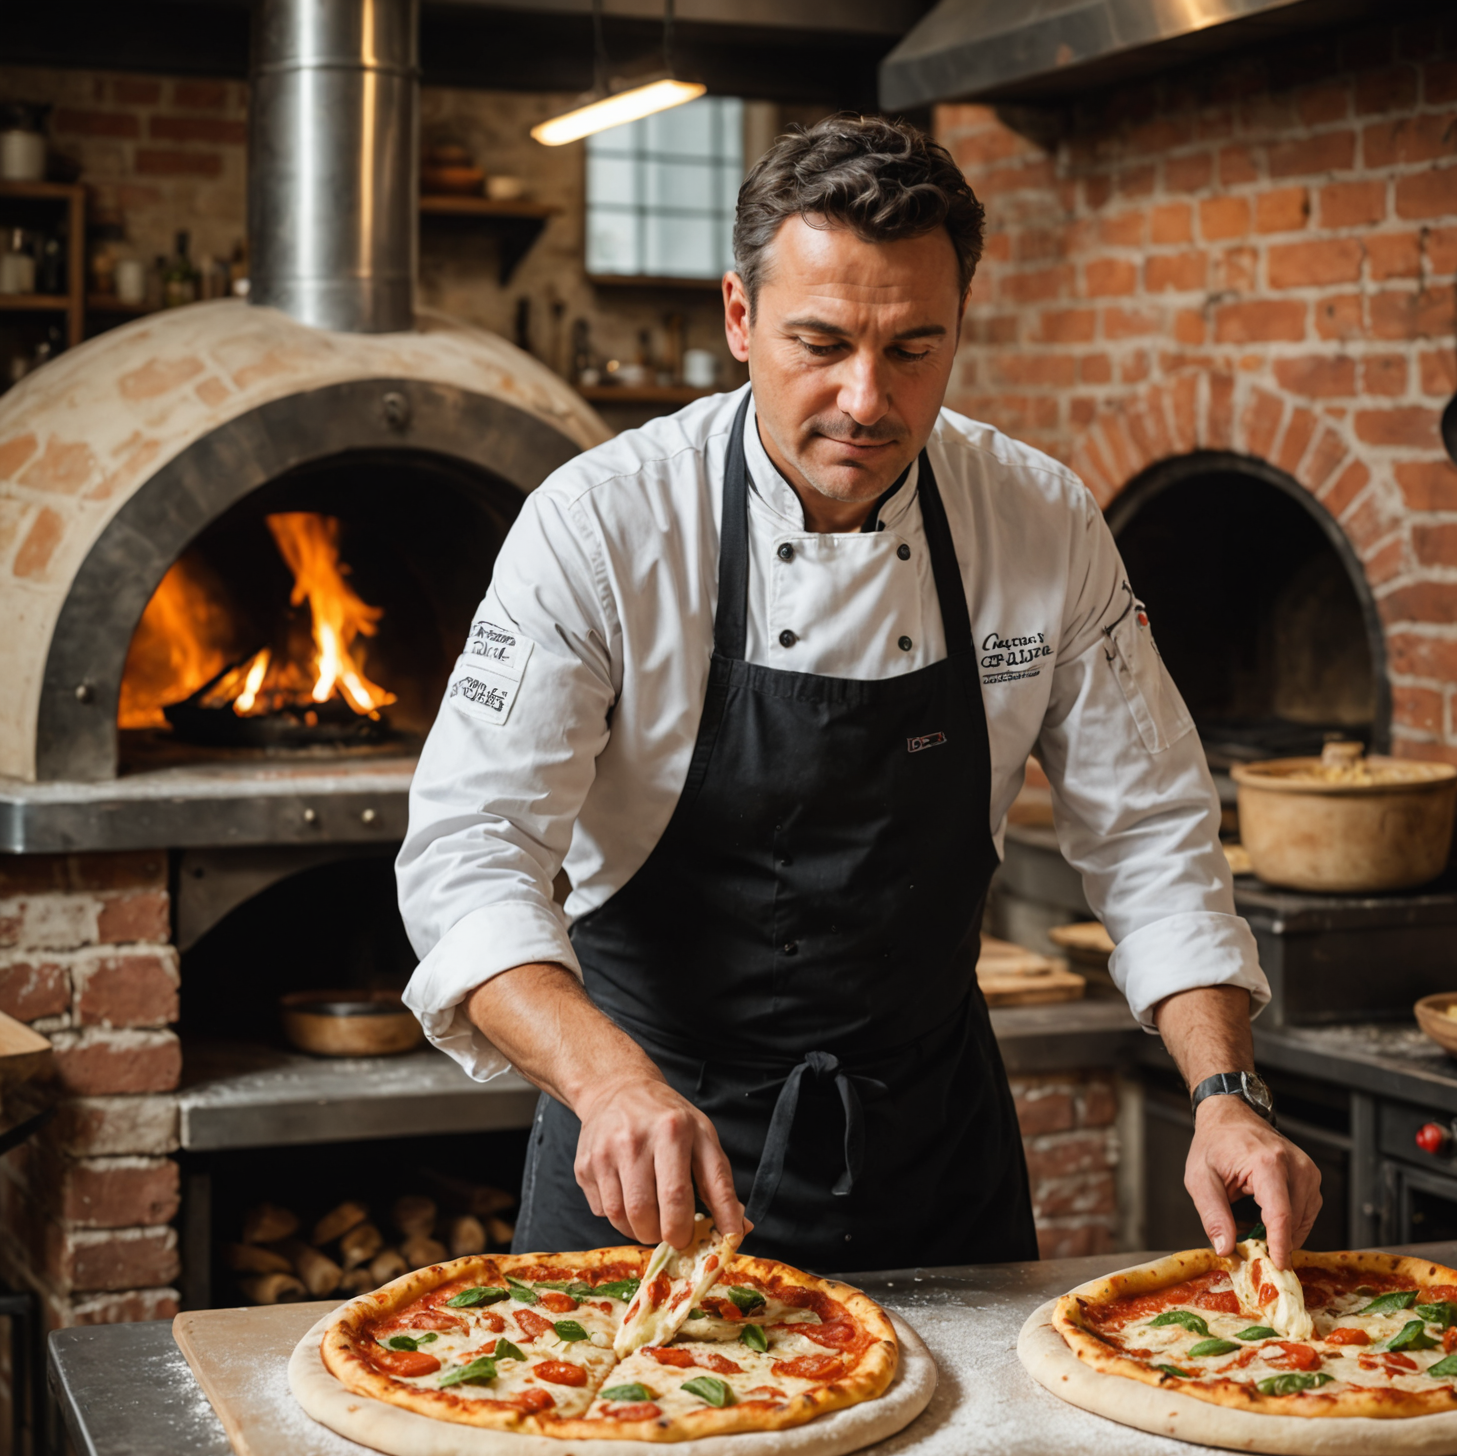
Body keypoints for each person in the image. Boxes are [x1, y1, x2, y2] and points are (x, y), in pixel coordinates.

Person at [397, 115, 1322, 1274]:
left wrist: (1227, 1092)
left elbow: (1150, 833)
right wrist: (608, 1080)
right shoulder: (603, 526)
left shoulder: (1036, 522)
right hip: (648, 1156)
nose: (868, 399)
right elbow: (470, 851)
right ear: (739, 317)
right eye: (820, 342)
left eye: (915, 348)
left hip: (935, 1152)